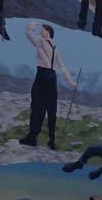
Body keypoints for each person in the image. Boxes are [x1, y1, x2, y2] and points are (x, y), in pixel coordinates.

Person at [19, 21, 77, 150]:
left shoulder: (41, 41)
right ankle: (51, 140)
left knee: (37, 107)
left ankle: (32, 138)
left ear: (48, 32)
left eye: (43, 29)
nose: (41, 31)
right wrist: (71, 81)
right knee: (51, 109)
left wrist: (32, 24)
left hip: (42, 76)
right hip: (52, 77)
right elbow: (62, 66)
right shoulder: (56, 48)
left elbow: (28, 34)